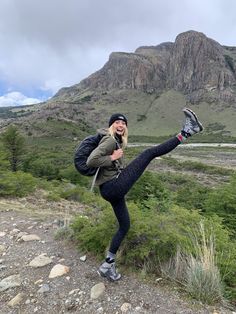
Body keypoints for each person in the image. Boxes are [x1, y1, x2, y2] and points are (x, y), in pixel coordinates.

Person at [86, 108, 203, 281]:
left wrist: (115, 161)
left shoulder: (115, 142)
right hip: (112, 187)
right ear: (111, 126)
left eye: (123, 123)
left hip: (110, 191)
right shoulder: (109, 141)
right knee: (149, 153)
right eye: (117, 122)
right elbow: (91, 161)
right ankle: (187, 131)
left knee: (124, 225)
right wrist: (113, 157)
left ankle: (107, 265)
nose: (121, 125)